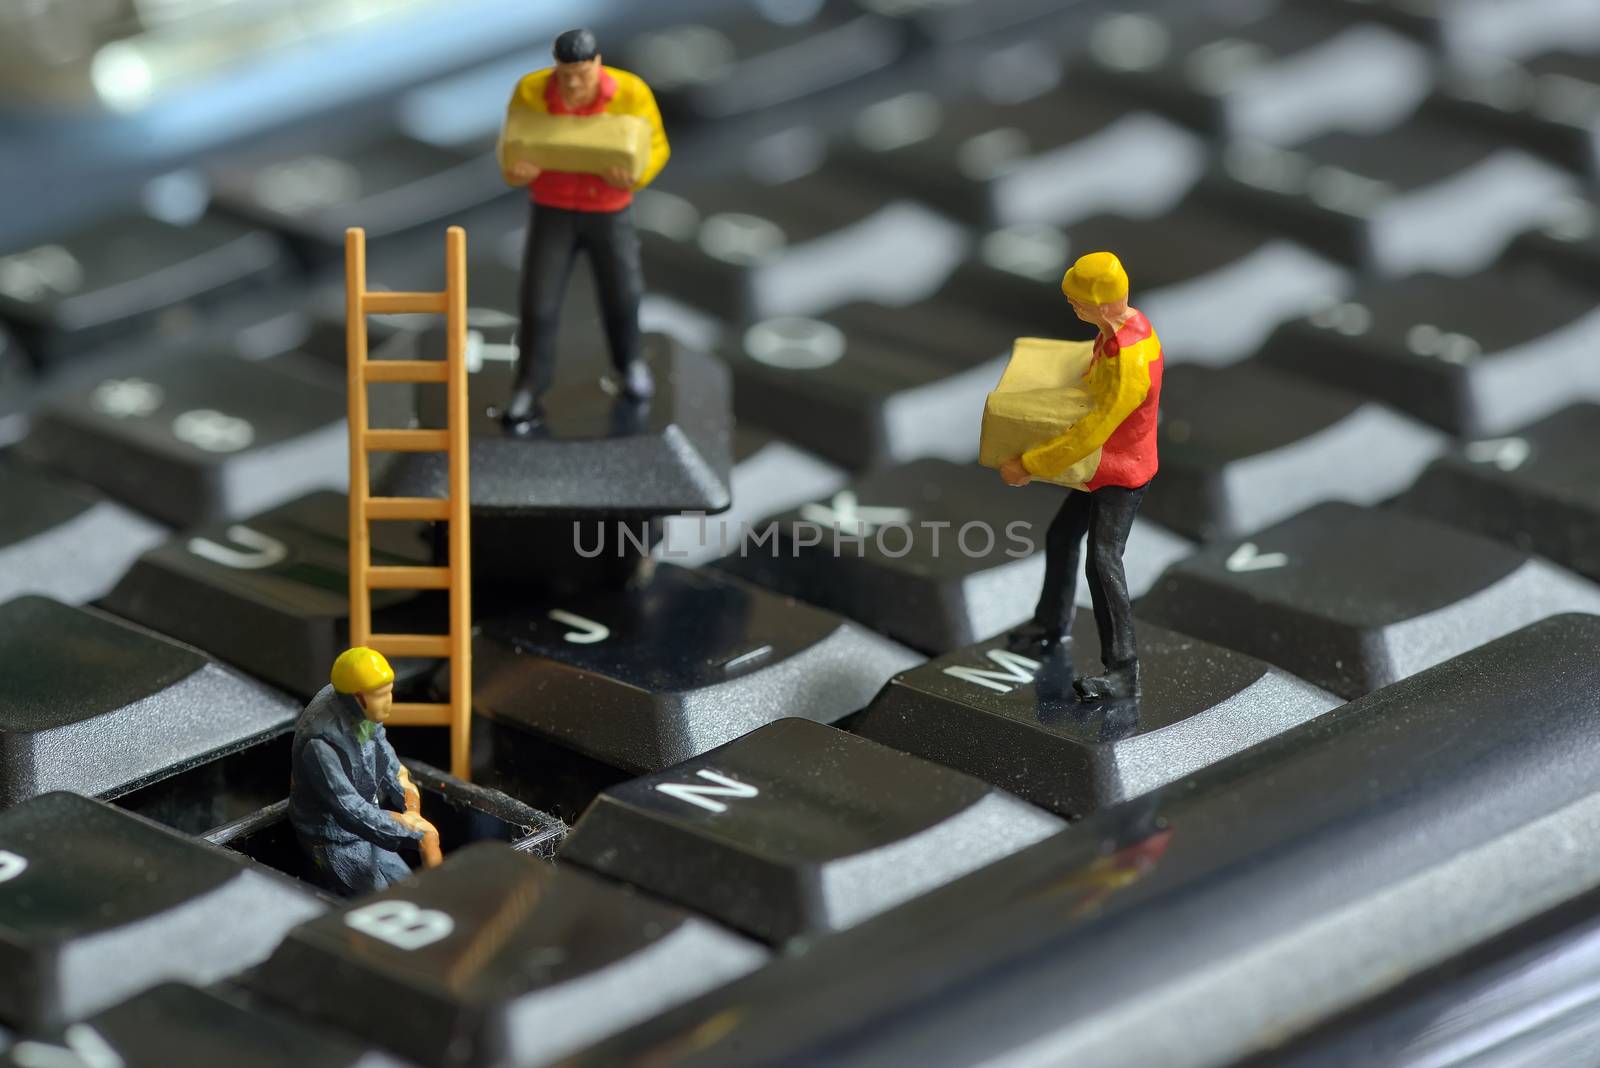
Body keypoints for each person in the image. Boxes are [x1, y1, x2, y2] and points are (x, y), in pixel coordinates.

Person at [1000, 251, 1163, 700]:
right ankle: (1051, 624)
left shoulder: (1131, 360)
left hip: (1120, 472)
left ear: (1105, 304)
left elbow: (1092, 432)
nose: (1072, 307)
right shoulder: (1119, 332)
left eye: (1078, 302)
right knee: (1060, 536)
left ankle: (1123, 671)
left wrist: (1029, 464)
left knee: (1104, 560)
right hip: (1102, 468)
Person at [500, 27, 671, 432]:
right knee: (538, 303)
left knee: (622, 294)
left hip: (608, 210)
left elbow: (658, 144)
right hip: (552, 209)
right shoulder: (531, 90)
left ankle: (630, 364)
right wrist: (515, 171)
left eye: (582, 74)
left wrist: (636, 174)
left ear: (597, 63)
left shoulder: (631, 92)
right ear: (555, 65)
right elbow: (511, 141)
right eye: (566, 74)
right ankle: (529, 385)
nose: (574, 83)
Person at [289, 647, 439, 895]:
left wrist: (411, 807)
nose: (389, 700)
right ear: (357, 697)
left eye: (389, 691)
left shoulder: (366, 713)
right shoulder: (321, 744)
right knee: (377, 899)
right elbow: (348, 809)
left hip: (371, 820)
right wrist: (405, 828)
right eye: (381, 695)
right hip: (332, 837)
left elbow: (389, 760)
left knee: (406, 883)